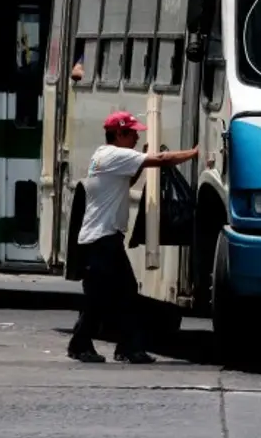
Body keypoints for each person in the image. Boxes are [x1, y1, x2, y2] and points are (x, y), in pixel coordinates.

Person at [67, 110, 199, 364]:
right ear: (119, 134)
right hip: (101, 240)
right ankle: (92, 345)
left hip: (102, 239)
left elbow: (126, 182)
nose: (137, 139)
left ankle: (120, 347)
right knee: (110, 297)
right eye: (133, 134)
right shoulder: (114, 155)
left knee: (118, 296)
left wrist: (140, 162)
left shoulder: (103, 156)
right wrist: (194, 154)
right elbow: (161, 159)